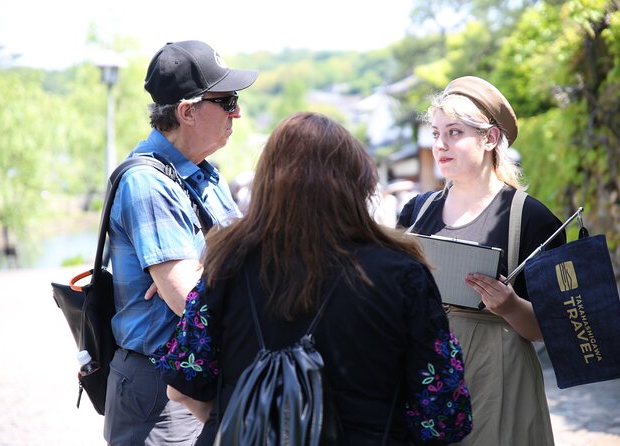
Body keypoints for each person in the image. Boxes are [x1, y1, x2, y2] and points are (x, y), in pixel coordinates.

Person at [151, 112, 473, 445]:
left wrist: (244, 423)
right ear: (357, 183)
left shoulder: (226, 262)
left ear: (266, 184)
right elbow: (444, 412)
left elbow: (181, 386)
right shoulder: (402, 273)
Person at [104, 40, 258, 446]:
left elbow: (240, 263)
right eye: (227, 101)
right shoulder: (148, 183)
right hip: (159, 387)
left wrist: (205, 268)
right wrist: (205, 273)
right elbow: (187, 297)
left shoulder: (205, 173)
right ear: (187, 111)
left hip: (194, 373)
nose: (237, 112)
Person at [397, 76, 565, 445]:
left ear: (489, 139)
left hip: (498, 375)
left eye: (454, 132)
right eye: (436, 133)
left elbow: (551, 328)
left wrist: (510, 305)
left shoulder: (530, 218)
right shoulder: (416, 211)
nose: (440, 144)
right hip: (425, 369)